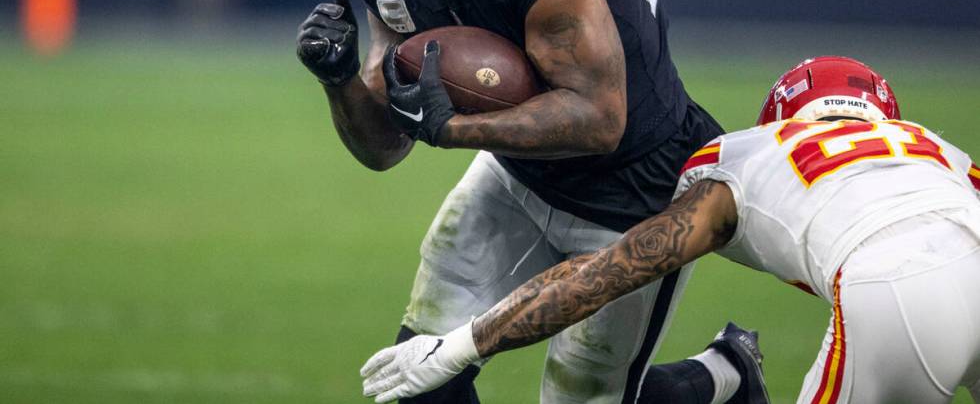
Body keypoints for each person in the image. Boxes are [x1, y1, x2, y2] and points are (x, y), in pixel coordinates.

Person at [296, 0, 735, 404]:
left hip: (631, 191)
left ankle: (721, 380)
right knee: (418, 379)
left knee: (583, 397)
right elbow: (385, 148)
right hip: (518, 173)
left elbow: (601, 117)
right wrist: (340, 83)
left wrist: (462, 128)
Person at [361, 56, 980, 404]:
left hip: (896, 290)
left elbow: (602, 276)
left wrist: (465, 344)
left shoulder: (744, 156)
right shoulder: (940, 151)